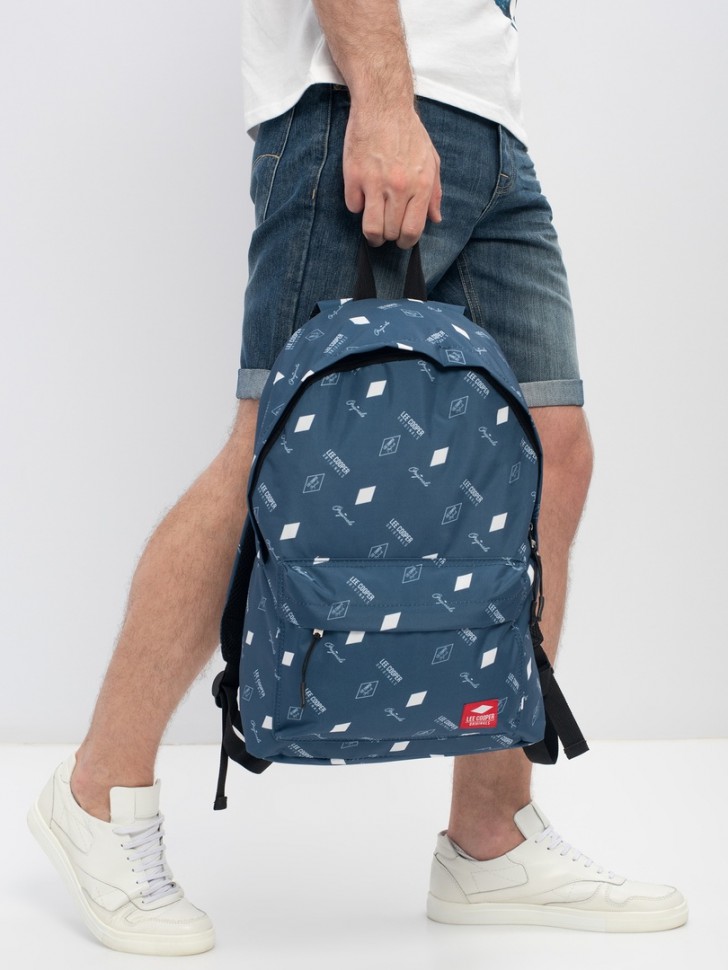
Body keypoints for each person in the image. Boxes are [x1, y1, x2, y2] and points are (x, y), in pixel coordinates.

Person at [27, 0, 688, 955]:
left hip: (487, 126)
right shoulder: (369, 104)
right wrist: (381, 100)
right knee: (270, 450)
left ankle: (490, 839)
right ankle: (99, 794)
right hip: (359, 105)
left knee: (552, 449)